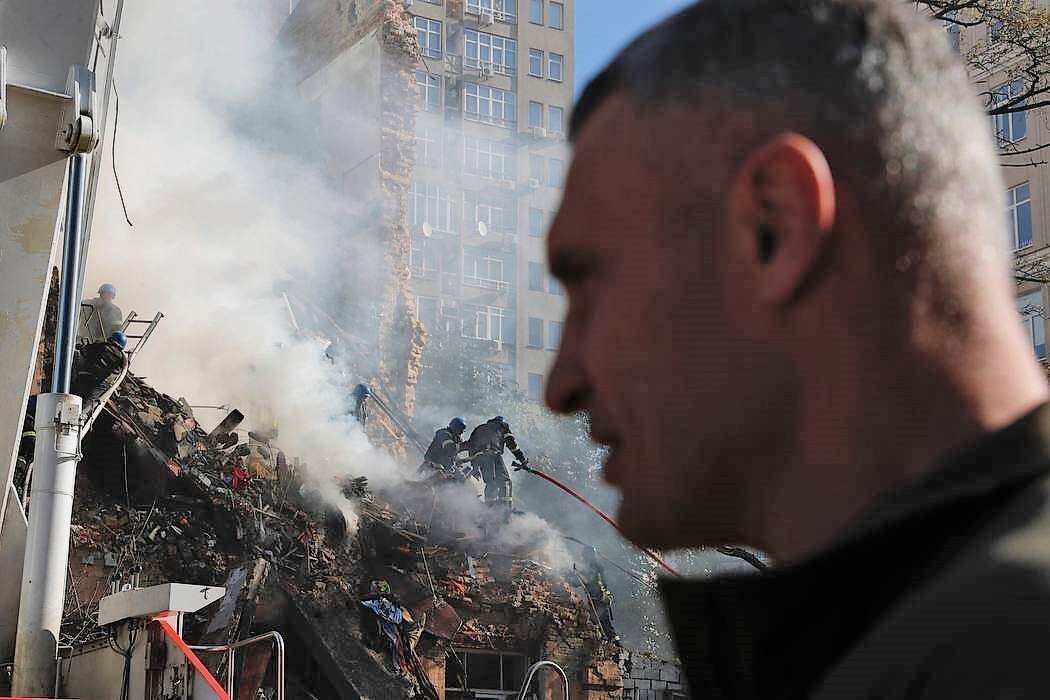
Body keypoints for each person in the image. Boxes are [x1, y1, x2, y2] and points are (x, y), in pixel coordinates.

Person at [544, 1, 1050, 697]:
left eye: (590, 285)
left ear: (774, 229)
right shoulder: (928, 635)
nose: (560, 383)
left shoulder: (992, 653)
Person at [463, 416, 527, 508]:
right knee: (505, 482)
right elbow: (512, 445)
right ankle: (506, 508)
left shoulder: (479, 429)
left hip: (480, 457)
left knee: (490, 482)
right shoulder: (502, 426)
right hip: (493, 454)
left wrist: (475, 467)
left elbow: (471, 447)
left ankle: (490, 508)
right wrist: (522, 459)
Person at [71, 331, 128, 407]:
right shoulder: (121, 359)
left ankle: (69, 381)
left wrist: (81, 346)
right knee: (88, 405)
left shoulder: (102, 346)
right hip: (102, 384)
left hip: (88, 377)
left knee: (75, 355)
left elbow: (85, 351)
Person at [578, 545, 618, 643]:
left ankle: (615, 645)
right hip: (598, 599)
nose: (583, 558)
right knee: (601, 622)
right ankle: (608, 642)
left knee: (603, 622)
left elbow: (590, 581)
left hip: (599, 599)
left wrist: (577, 575)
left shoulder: (594, 567)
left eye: (585, 555)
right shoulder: (592, 567)